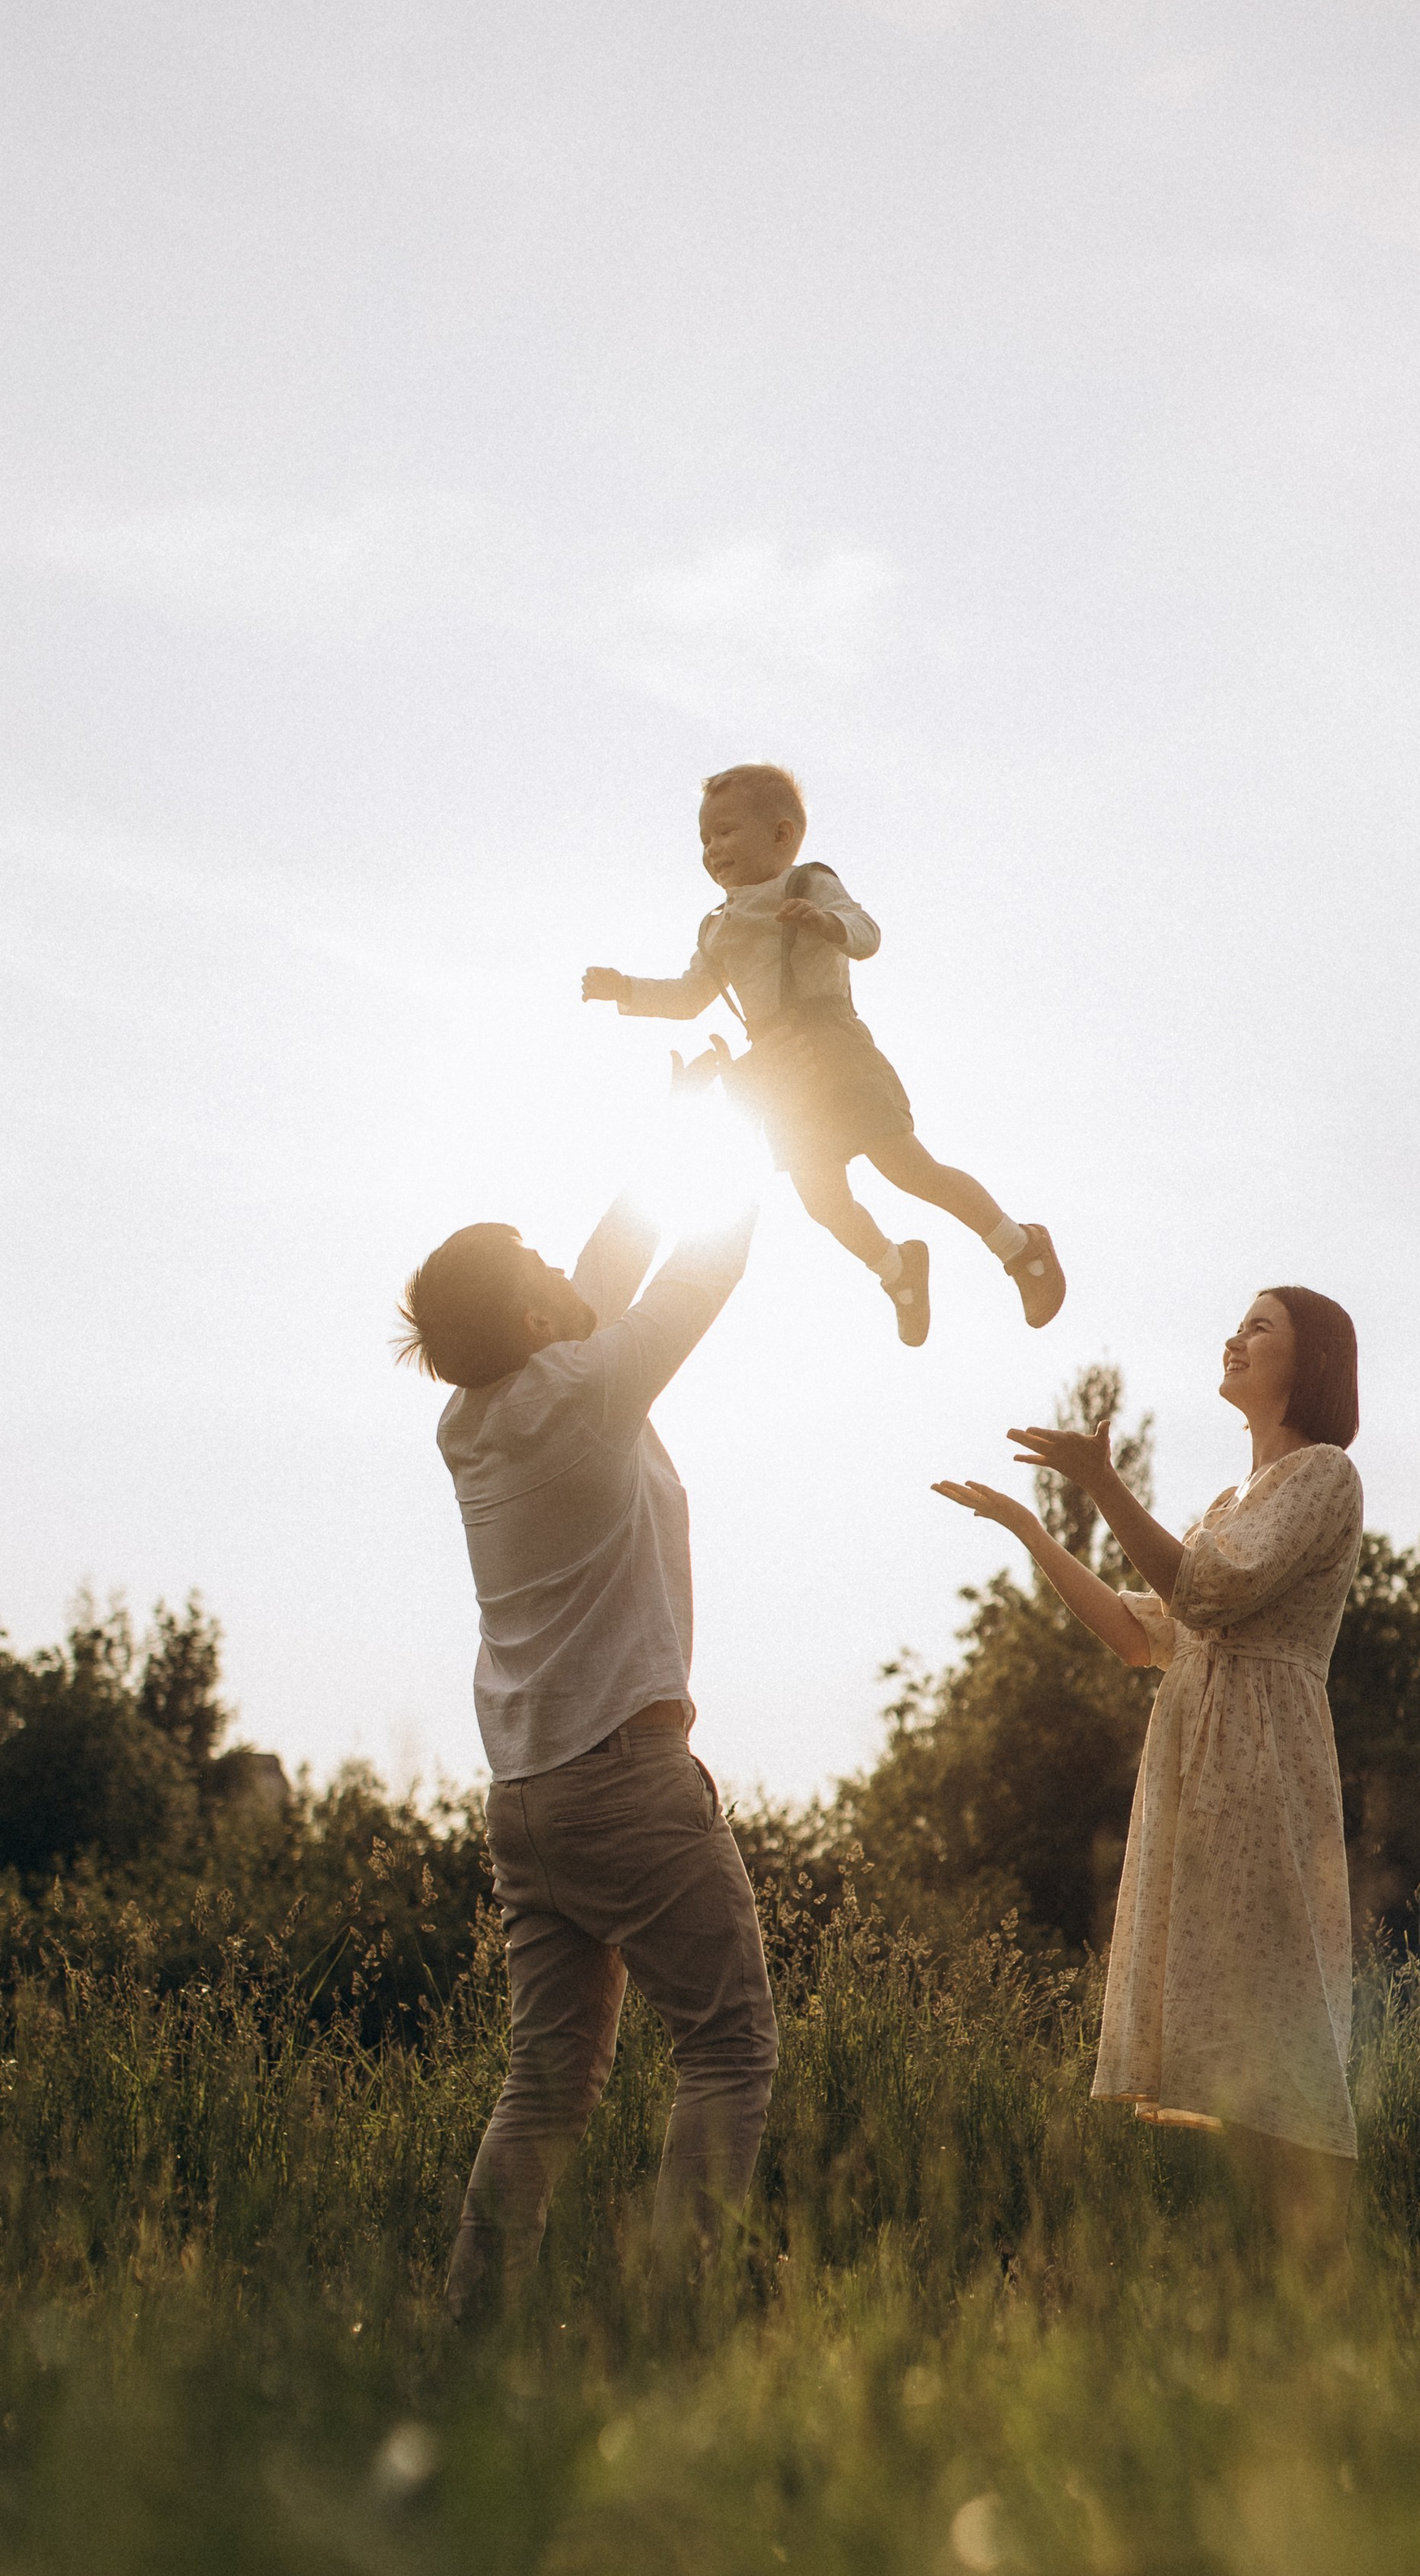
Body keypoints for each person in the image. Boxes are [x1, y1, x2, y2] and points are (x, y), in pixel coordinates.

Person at [395, 1138, 777, 2321]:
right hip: (623, 1777)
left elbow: (598, 1272)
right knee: (729, 2046)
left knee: (547, 2089)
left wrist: (682, 1130)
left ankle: (471, 2334)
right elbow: (693, 1278)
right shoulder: (583, 1390)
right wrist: (768, 1136)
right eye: (538, 1266)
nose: (564, 1266)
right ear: (525, 1305)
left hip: (527, 1800)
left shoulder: (475, 1420)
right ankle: (673, 2323)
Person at [934, 1288, 1364, 2249]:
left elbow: (1212, 1590)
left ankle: (1319, 2266)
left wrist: (1102, 1485)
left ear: (1315, 1361)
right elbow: (1143, 1633)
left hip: (1260, 1764)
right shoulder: (1229, 1503)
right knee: (1213, 2029)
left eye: (1259, 1326)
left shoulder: (1324, 1474)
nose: (1234, 1336)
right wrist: (1032, 1531)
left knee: (1269, 2017)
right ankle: (1243, 2274)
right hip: (1205, 1772)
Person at [581, 759, 1066, 1349]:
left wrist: (828, 923)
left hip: (834, 1044)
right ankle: (897, 1270)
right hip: (780, 1075)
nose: (713, 848)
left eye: (727, 831)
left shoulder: (806, 884)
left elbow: (866, 931)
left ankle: (1020, 1247)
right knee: (821, 1198)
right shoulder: (717, 929)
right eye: (705, 838)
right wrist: (625, 989)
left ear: (782, 835)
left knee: (907, 1167)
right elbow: (688, 998)